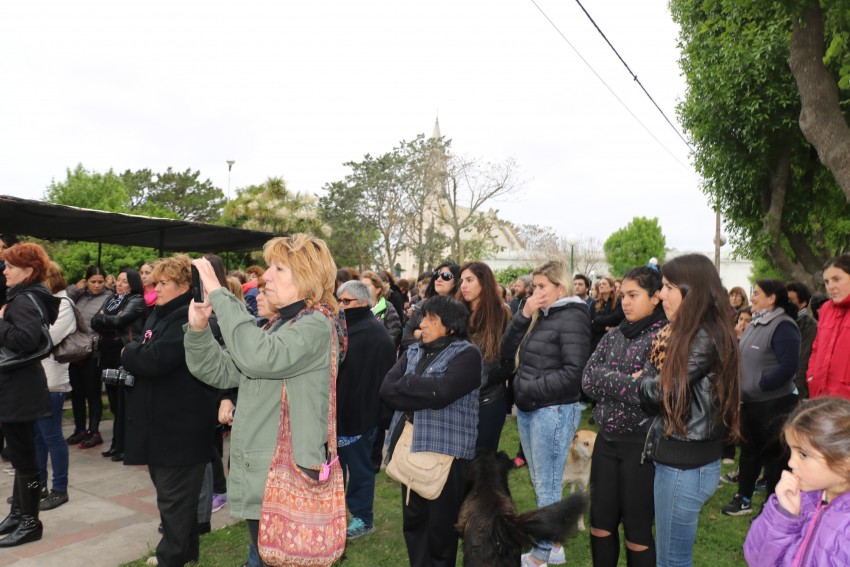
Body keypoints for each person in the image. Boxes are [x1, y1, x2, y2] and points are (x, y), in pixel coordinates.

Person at [184, 234, 345, 567]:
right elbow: (221, 370)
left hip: (286, 476)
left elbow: (259, 357)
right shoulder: (279, 326)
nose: (265, 276)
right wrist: (198, 331)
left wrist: (220, 294)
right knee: (266, 555)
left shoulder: (316, 325)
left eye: (278, 268)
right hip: (267, 473)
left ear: (307, 277)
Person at [638, 253, 741, 567]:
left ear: (691, 291)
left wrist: (640, 382)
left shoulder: (703, 335)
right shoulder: (699, 331)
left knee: (671, 560)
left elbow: (662, 391)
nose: (661, 294)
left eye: (669, 287)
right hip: (684, 459)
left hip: (684, 465)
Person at [121, 255, 218, 566]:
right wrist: (139, 352)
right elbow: (149, 352)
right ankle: (185, 554)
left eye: (164, 283)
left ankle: (170, 558)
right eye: (156, 282)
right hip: (162, 425)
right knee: (175, 500)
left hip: (180, 427)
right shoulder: (161, 314)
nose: (156, 288)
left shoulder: (188, 317)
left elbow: (156, 359)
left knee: (174, 500)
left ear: (185, 286)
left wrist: (128, 351)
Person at [501, 259, 591, 567]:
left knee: (548, 483)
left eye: (541, 286)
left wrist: (529, 389)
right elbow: (506, 350)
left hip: (552, 411)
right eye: (534, 286)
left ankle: (542, 556)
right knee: (542, 481)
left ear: (560, 288)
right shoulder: (542, 314)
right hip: (532, 409)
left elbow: (573, 373)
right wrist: (524, 315)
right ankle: (554, 547)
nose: (535, 292)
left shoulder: (573, 317)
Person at [380, 295, 482, 567]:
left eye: (431, 319)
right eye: (423, 318)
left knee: (441, 530)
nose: (421, 325)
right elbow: (387, 390)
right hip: (410, 447)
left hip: (446, 456)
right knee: (414, 524)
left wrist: (409, 384)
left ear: (451, 327)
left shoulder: (467, 355)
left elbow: (443, 392)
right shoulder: (414, 350)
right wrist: (424, 390)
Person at [582, 266, 667, 567]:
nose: (625, 303)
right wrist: (629, 382)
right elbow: (587, 380)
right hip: (606, 442)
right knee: (600, 524)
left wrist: (609, 381)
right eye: (623, 296)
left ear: (655, 297)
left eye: (634, 295)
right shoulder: (614, 335)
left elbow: (652, 393)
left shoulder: (663, 337)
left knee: (637, 532)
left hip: (641, 447)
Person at [722, 280, 800, 517]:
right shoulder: (756, 322)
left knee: (775, 459)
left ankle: (772, 507)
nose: (752, 297)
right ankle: (743, 499)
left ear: (772, 298)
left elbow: (788, 366)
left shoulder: (784, 326)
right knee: (748, 452)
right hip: (750, 403)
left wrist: (760, 385)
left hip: (774, 405)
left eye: (756, 293)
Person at [0, 242, 60, 547]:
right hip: (20, 385)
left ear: (29, 270)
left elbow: (25, 339)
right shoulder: (29, 295)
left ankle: (30, 522)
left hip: (19, 388)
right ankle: (18, 514)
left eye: (11, 266)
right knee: (20, 452)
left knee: (23, 456)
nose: (5, 271)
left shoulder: (24, 300)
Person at [744, 397, 850, 566]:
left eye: (803, 454)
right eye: (791, 451)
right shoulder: (804, 499)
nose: (791, 463)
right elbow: (755, 558)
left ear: (844, 461)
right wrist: (784, 516)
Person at [335, 280, 396, 540]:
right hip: (337, 414)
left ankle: (363, 518)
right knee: (334, 471)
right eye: (338, 300)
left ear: (362, 302)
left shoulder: (376, 333)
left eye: (346, 301)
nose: (340, 306)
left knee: (360, 471)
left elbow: (386, 379)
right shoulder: (340, 329)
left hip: (361, 416)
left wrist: (376, 415)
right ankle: (334, 515)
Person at [457, 261, 513, 452]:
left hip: (488, 400)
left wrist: (491, 379)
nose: (463, 285)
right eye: (462, 281)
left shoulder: (501, 313)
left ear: (484, 282)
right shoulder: (457, 312)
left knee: (483, 462)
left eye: (469, 280)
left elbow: (507, 355)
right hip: (458, 400)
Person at [90, 269, 146, 459]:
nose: (119, 284)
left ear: (133, 284)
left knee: (125, 403)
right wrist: (107, 320)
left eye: (124, 281)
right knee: (114, 403)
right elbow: (94, 321)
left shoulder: (136, 300)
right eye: (118, 280)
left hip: (124, 354)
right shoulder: (111, 299)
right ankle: (116, 444)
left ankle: (126, 446)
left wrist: (104, 319)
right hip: (107, 355)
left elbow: (119, 320)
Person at [35, 262, 75, 511]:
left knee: (52, 436)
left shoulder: (64, 304)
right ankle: (38, 486)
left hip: (52, 380)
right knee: (37, 436)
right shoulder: (45, 302)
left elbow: (46, 338)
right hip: (36, 379)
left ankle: (60, 489)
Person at [65, 265, 113, 446]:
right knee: (76, 393)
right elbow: (62, 301)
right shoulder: (80, 295)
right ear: (86, 281)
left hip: (94, 352)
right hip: (75, 350)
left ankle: (94, 431)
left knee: (93, 393)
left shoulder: (109, 298)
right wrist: (74, 289)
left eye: (100, 281)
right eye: (93, 281)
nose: (97, 285)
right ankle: (80, 429)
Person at [807, 254, 850, 400]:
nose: (830, 286)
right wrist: (811, 376)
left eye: (836, 279)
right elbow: (817, 347)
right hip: (820, 395)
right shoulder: (826, 309)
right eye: (826, 281)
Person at [401, 262, 461, 352]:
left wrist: (421, 334)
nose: (439, 279)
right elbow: (406, 340)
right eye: (436, 275)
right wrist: (426, 337)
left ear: (457, 281)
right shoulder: (421, 306)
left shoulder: (462, 310)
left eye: (446, 276)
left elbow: (456, 343)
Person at [787, 281, 818, 400]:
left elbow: (803, 360)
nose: (786, 303)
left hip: (795, 391)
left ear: (803, 303)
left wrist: (797, 393)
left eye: (790, 300)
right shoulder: (783, 321)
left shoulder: (810, 326)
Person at [361, 270, 402, 347]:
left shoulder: (388, 307)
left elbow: (395, 333)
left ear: (377, 290)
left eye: (367, 286)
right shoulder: (357, 307)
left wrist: (380, 349)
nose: (363, 289)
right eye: (361, 286)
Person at [591, 276, 624, 352]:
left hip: (613, 342)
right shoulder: (595, 303)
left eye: (604, 284)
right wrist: (605, 328)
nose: (601, 286)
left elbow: (616, 318)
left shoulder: (619, 302)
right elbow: (591, 324)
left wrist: (597, 319)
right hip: (596, 342)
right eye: (600, 284)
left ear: (612, 287)